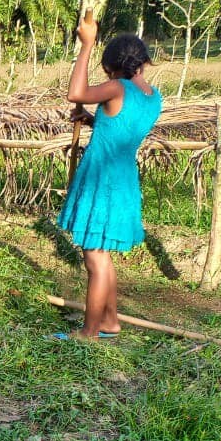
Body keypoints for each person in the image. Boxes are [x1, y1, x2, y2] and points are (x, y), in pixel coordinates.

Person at [53, 17, 161, 340]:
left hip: (103, 181)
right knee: (103, 253)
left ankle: (88, 332)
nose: (108, 78)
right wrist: (92, 121)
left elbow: (76, 92)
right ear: (141, 62)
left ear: (116, 68)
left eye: (108, 71)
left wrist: (87, 43)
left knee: (94, 259)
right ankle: (110, 322)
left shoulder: (118, 87)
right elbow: (121, 127)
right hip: (124, 178)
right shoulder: (153, 96)